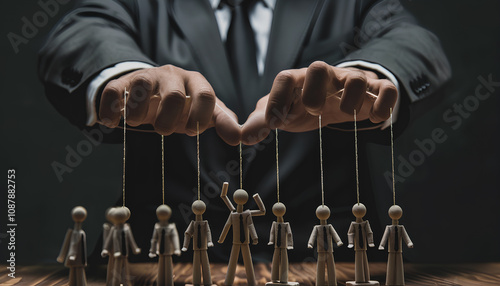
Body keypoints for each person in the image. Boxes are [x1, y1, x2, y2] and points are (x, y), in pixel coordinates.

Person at [38, 0, 450, 262]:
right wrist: (129, 77)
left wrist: (368, 74)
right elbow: (83, 32)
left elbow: (411, 40)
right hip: (155, 258)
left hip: (334, 257)